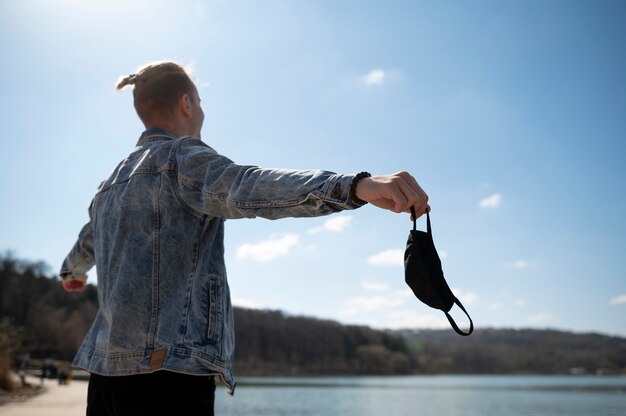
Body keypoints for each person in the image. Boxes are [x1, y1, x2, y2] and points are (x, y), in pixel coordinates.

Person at [60, 61, 429, 415]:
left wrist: (70, 273)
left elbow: (85, 244)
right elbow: (247, 185)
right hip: (167, 374)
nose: (201, 111)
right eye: (199, 102)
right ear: (186, 103)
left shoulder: (108, 185)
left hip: (104, 377)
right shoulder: (182, 158)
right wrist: (353, 187)